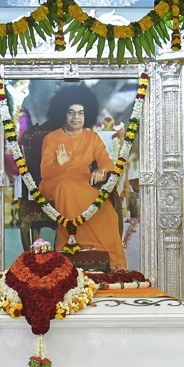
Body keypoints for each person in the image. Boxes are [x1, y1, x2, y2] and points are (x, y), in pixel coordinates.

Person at [36, 85, 126, 269]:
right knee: (67, 187)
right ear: (64, 114)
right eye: (71, 112)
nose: (76, 117)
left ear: (87, 115)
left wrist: (101, 170)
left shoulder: (92, 137)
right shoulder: (51, 139)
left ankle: (106, 257)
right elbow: (44, 173)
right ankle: (70, 252)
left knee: (106, 208)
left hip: (84, 181)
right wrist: (58, 165)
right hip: (55, 182)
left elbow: (107, 163)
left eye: (81, 112)